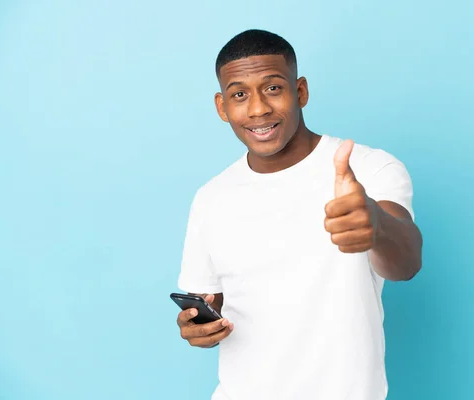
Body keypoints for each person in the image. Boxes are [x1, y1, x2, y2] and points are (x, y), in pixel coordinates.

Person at [175, 28, 423, 400]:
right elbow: (210, 304)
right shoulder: (211, 198)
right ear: (222, 107)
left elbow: (407, 263)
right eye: (239, 94)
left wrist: (375, 224)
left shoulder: (369, 168)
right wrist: (198, 328)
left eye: (273, 88)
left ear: (300, 91)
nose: (258, 108)